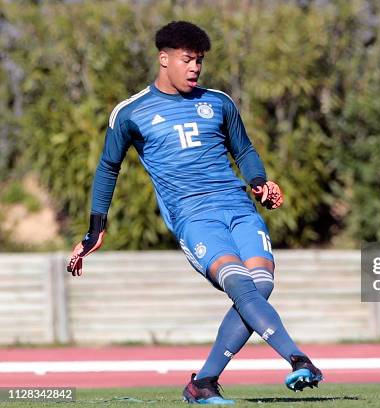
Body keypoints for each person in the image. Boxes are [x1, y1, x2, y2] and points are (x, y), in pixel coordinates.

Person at [66, 20, 322, 405]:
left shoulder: (218, 102)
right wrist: (95, 229)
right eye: (187, 60)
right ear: (164, 58)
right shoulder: (131, 112)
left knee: (261, 285)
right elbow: (107, 168)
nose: (195, 68)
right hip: (194, 217)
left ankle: (202, 383)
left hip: (239, 208)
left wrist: (259, 182)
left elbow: (245, 150)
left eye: (199, 61)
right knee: (240, 284)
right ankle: (299, 359)